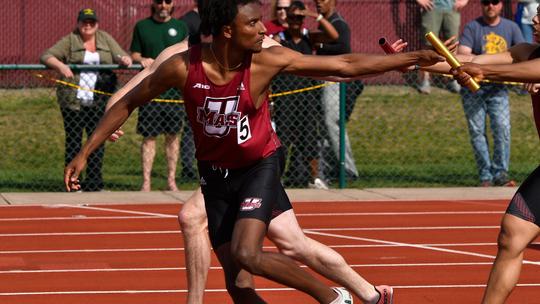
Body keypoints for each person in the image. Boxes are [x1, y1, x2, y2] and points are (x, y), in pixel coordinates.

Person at [65, 0, 442, 302]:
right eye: (253, 23)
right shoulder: (181, 65)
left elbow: (343, 65)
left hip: (258, 166)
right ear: (227, 30)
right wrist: (86, 151)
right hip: (215, 178)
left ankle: (335, 298)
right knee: (240, 287)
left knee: (248, 253)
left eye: (262, 21)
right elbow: (127, 100)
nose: (264, 29)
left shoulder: (266, 57)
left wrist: (412, 59)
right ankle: (367, 295)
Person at [450, 28, 540, 304]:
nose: (535, 18)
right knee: (512, 235)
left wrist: (483, 73)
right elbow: (479, 60)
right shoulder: (527, 51)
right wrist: (420, 59)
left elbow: (519, 72)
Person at [40, 8, 132, 192]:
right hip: (74, 101)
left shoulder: (104, 38)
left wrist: (124, 59)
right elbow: (46, 56)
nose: (87, 26)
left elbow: (121, 55)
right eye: (84, 22)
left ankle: (95, 183)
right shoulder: (70, 40)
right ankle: (73, 181)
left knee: (97, 140)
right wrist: (61, 66)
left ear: (97, 24)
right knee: (74, 141)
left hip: (99, 100)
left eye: (91, 22)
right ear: (78, 23)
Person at [272, 0, 338, 189]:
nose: (296, 21)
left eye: (299, 18)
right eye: (292, 17)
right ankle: (277, 179)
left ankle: (315, 178)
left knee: (309, 137)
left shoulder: (309, 37)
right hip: (284, 96)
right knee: (282, 140)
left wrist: (313, 15)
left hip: (307, 98)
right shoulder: (279, 38)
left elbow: (334, 36)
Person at [458, 0, 524, 187]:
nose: (490, 6)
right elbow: (464, 53)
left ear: (501, 5)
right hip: (472, 88)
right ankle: (485, 175)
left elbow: (522, 55)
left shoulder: (511, 27)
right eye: (486, 2)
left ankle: (500, 172)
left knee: (502, 129)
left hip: (498, 88)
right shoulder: (473, 27)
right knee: (477, 131)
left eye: (495, 2)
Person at [130, 0, 189, 191]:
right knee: (149, 137)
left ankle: (171, 180)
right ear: (154, 5)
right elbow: (134, 54)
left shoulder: (180, 27)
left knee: (173, 137)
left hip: (174, 95)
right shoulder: (142, 26)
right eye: (159, 2)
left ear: (172, 5)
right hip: (150, 92)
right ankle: (146, 181)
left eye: (167, 2)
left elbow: (188, 52)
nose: (163, 5)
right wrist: (142, 59)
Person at [312, 0, 359, 184]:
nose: (318, 4)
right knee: (325, 126)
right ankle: (332, 168)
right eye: (316, 1)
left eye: (323, 0)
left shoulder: (338, 23)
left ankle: (348, 169)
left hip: (336, 82)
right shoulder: (324, 23)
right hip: (325, 80)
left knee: (333, 123)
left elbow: (344, 48)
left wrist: (319, 47)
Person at [416, 0, 468, 94]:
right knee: (428, 45)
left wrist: (464, 1)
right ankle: (425, 81)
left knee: (453, 45)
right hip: (431, 8)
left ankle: (453, 79)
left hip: (452, 8)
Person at [178, 0, 201, 181]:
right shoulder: (188, 20)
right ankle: (188, 166)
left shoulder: (214, 20)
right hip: (195, 75)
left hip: (212, 77)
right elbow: (182, 46)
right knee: (192, 125)